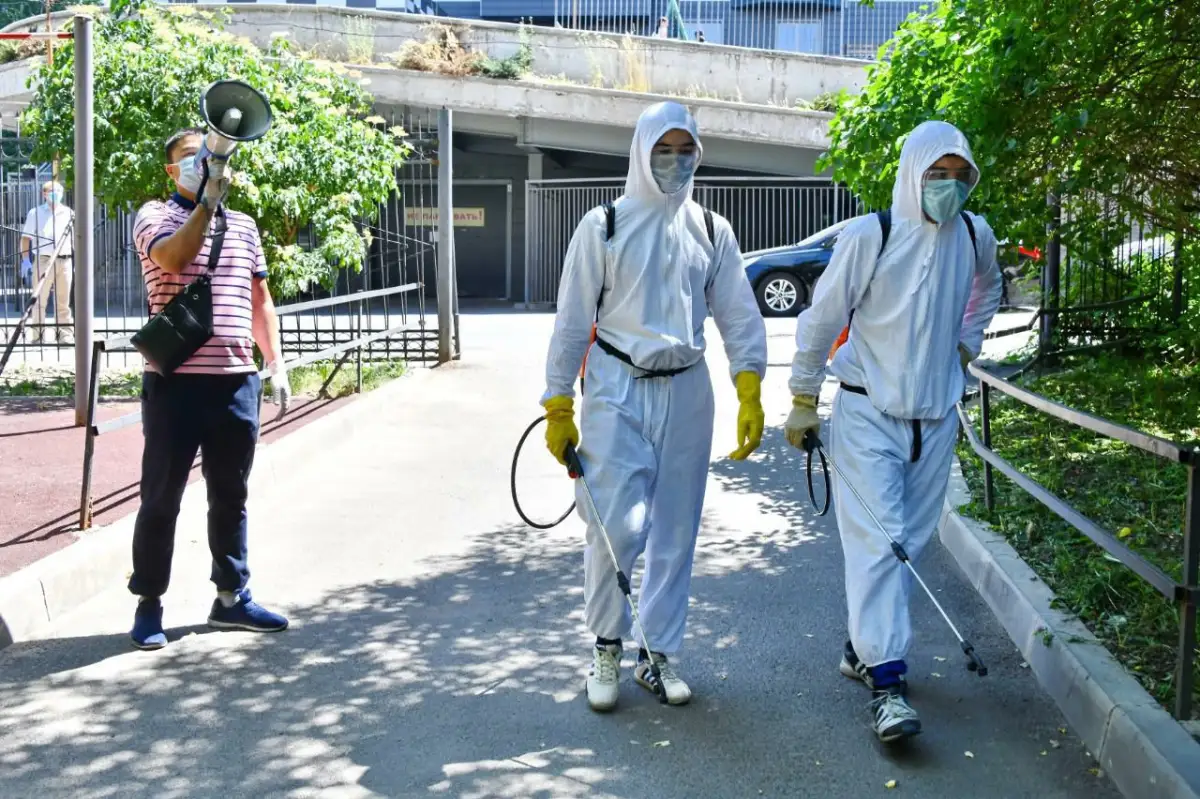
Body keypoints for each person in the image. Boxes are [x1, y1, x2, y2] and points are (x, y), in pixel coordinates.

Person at [540, 101, 768, 712]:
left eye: (684, 150)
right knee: (618, 525)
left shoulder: (713, 230)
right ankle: (606, 644)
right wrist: (558, 401)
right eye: (662, 150)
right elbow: (571, 322)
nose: (674, 161)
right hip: (617, 385)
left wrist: (750, 385)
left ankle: (658, 652)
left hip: (689, 387)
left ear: (699, 154)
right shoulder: (604, 225)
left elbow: (740, 315)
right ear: (642, 152)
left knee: (676, 527)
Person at [783, 120, 1002, 742]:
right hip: (866, 412)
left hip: (935, 417)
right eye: (938, 175)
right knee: (879, 544)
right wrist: (803, 397)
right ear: (913, 173)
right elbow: (821, 318)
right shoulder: (871, 235)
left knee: (910, 537)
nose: (950, 187)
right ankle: (888, 684)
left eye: (962, 176)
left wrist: (966, 344)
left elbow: (989, 289)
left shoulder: (973, 234)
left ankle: (862, 648)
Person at [127, 128, 293, 650]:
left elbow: (258, 296)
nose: (204, 162)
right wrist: (205, 205)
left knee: (231, 497)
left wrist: (276, 361)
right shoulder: (154, 216)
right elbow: (174, 260)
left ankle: (230, 598)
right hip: (175, 386)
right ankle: (149, 603)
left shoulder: (244, 226)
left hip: (234, 382)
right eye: (190, 158)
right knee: (161, 499)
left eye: (210, 154)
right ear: (172, 172)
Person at [20, 181, 75, 344]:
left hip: (65, 260)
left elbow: (74, 238)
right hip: (43, 260)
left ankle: (64, 335)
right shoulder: (35, 213)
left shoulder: (69, 213)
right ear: (44, 194)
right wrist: (25, 260)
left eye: (58, 191)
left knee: (63, 300)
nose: (56, 194)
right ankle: (38, 336)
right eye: (52, 191)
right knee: (39, 300)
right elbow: (25, 238)